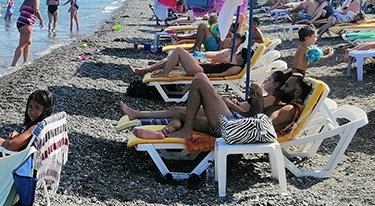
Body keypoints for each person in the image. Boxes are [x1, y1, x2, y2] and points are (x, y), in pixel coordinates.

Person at [133, 71, 310, 141]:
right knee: (182, 114)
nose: (282, 87)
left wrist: (257, 99)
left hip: (233, 128)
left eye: (287, 86)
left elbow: (261, 126)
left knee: (200, 79)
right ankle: (163, 134)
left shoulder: (289, 109)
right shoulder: (282, 104)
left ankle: (185, 131)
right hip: (234, 124)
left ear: (296, 93)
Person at [119, 69, 292, 124]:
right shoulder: (269, 97)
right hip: (229, 114)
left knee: (198, 84)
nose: (267, 81)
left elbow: (253, 119)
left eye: (269, 80)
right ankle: (138, 115)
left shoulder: (269, 99)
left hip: (231, 119)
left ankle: (140, 116)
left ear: (276, 85)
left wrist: (232, 105)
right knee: (179, 109)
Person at [130, 45, 250, 78]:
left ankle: (164, 73)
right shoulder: (235, 64)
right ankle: (146, 69)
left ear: (243, 59)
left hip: (200, 71)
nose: (236, 54)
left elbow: (221, 75)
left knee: (178, 50)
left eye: (239, 54)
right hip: (202, 67)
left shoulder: (237, 68)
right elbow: (218, 67)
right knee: (172, 58)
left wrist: (207, 76)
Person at [11, 0, 45, 66]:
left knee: (28, 42)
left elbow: (20, 10)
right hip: (27, 23)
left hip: (20, 21)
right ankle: (13, 64)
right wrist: (41, 20)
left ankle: (25, 61)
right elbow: (36, 10)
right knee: (22, 44)